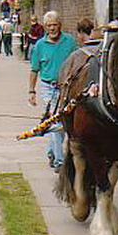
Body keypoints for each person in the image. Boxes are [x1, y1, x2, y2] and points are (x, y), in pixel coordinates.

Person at [28, 11, 77, 170]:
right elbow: (34, 70)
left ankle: (51, 151)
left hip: (66, 87)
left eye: (54, 25)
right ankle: (60, 162)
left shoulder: (69, 42)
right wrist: (31, 91)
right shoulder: (39, 46)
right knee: (56, 121)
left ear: (60, 25)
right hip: (48, 87)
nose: (52, 29)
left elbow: (77, 63)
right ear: (45, 27)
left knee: (57, 123)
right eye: (49, 26)